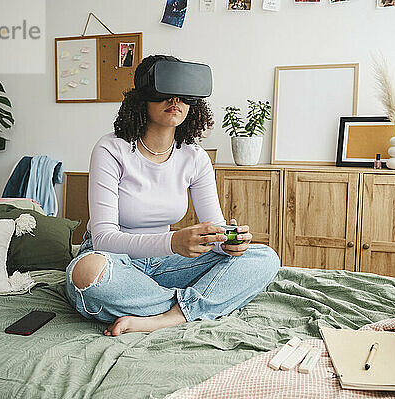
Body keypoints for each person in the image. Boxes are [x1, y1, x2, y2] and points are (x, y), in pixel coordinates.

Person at [64, 55, 280, 336]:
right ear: (142, 99)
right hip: (117, 259)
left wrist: (228, 242)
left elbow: (214, 230)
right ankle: (195, 301)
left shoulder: (195, 157)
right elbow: (104, 238)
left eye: (183, 95)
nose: (175, 101)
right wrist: (173, 241)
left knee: (264, 258)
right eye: (165, 93)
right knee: (87, 273)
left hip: (167, 263)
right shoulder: (111, 149)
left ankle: (169, 316)